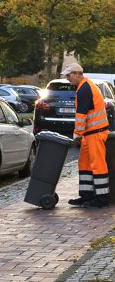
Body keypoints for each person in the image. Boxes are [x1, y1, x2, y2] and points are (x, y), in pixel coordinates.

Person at [63, 63, 110, 208]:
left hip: (95, 134)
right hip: (90, 134)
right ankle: (86, 196)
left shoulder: (85, 88)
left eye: (68, 75)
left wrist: (77, 134)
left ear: (77, 73)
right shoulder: (84, 86)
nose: (67, 78)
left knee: (97, 165)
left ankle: (101, 199)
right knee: (84, 163)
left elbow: (81, 115)